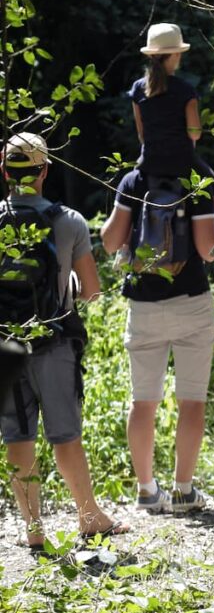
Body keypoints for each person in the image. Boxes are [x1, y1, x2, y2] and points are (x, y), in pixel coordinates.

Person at [1, 133, 127, 548]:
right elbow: (92, 291)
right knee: (64, 434)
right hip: (53, 343)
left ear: (4, 172)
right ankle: (89, 517)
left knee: (18, 436)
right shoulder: (68, 220)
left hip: (5, 344)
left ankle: (33, 530)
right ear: (44, 171)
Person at [101, 132, 214, 515]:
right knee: (192, 401)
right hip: (191, 302)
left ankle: (147, 491)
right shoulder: (196, 178)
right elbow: (207, 250)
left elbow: (109, 241)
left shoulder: (133, 181)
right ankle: (184, 490)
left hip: (144, 305)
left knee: (143, 402)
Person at [131, 23, 214, 214]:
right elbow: (195, 135)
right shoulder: (185, 90)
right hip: (184, 164)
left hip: (148, 163)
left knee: (127, 192)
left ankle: (126, 243)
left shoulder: (138, 89)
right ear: (176, 54)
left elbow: (141, 135)